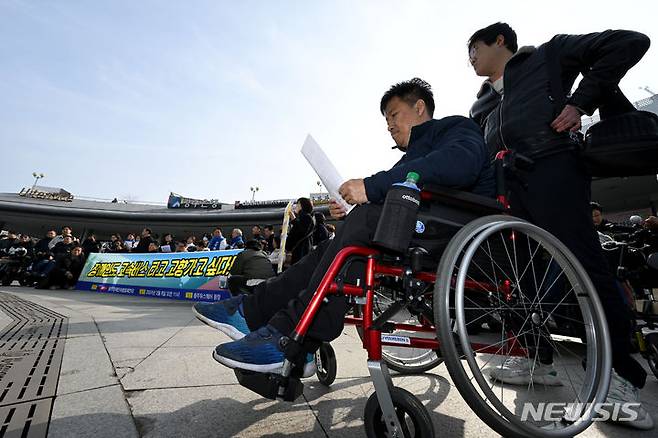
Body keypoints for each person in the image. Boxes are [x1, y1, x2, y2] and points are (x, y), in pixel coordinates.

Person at [194, 78, 494, 377]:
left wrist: (371, 188)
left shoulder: (455, 128)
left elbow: (460, 164)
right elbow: (393, 188)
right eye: (385, 119)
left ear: (419, 107)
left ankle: (293, 338)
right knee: (340, 237)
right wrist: (353, 205)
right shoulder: (412, 158)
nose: (388, 124)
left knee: (366, 219)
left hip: (452, 229)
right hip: (418, 229)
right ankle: (253, 311)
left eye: (393, 114)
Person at [467, 22, 652, 428]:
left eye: (474, 48)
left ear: (500, 41)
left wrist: (581, 101)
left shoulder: (547, 56)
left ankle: (620, 377)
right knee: (518, 280)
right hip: (506, 191)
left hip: (554, 168)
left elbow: (631, 42)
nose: (471, 58)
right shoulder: (479, 105)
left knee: (583, 266)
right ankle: (536, 359)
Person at [285, 198, 316, 265]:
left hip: (302, 252)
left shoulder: (307, 217)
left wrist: (294, 219)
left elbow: (301, 231)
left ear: (302, 205)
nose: (295, 206)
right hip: (299, 252)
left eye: (298, 204)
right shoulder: (303, 217)